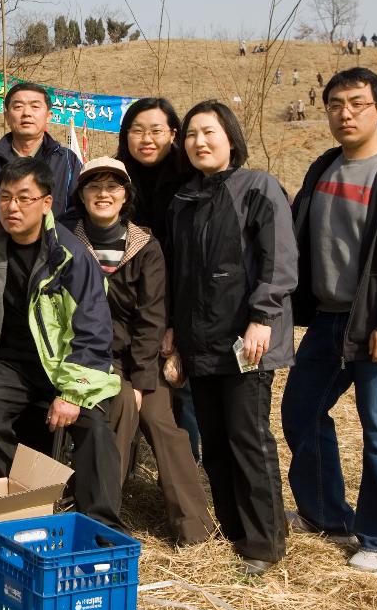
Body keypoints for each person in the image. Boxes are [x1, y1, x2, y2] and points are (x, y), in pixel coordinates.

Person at [282, 68, 377, 575]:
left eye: (356, 103)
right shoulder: (324, 166)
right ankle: (327, 516)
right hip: (329, 320)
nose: (344, 113)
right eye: (334, 105)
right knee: (300, 413)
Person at [165, 100, 297, 576]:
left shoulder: (257, 187)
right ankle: (234, 529)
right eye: (192, 134)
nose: (200, 142)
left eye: (210, 132)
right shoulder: (183, 200)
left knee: (248, 436)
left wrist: (262, 318)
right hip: (200, 340)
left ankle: (266, 539)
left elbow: (278, 260)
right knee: (216, 438)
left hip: (247, 339)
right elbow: (179, 274)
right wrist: (174, 335)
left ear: (230, 138)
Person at [0, 157, 123, 529]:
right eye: (4, 197)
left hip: (65, 365)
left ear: (47, 204)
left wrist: (72, 393)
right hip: (9, 364)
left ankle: (102, 527)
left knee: (95, 430)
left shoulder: (70, 255)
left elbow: (94, 331)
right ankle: (25, 502)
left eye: (24, 198)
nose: (12, 207)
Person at [69, 157, 212, 545]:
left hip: (139, 359)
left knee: (161, 422)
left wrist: (141, 377)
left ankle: (195, 529)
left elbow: (153, 318)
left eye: (113, 187)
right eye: (94, 186)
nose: (103, 194)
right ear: (81, 195)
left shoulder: (145, 247)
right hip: (87, 358)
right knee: (118, 410)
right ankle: (101, 525)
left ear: (126, 196)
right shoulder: (66, 239)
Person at [114, 97, 200, 459]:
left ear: (174, 134)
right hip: (129, 296)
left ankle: (185, 461)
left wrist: (176, 320)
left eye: (156, 131)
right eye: (137, 130)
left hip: (182, 291)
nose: (146, 139)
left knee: (180, 382)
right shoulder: (114, 178)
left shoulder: (191, 178)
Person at [0, 81, 82, 229]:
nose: (27, 113)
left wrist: (53, 241)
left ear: (48, 116)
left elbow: (79, 214)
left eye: (35, 106)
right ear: (7, 116)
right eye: (18, 107)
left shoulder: (67, 161)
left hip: (55, 249)